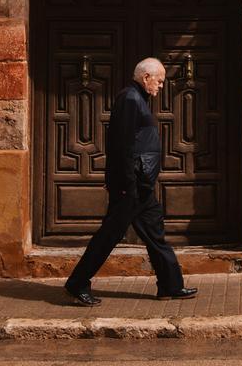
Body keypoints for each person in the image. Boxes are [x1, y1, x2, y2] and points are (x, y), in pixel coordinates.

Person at [63, 57, 198, 306]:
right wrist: (124, 184)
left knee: (155, 234)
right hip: (131, 185)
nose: (160, 86)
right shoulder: (129, 99)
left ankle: (170, 285)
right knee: (109, 236)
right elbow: (120, 145)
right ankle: (77, 283)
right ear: (145, 77)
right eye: (158, 81)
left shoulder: (139, 100)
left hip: (141, 185)